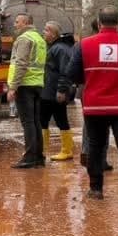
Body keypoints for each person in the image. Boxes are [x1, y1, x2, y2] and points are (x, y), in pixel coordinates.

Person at [59, 6, 118, 204]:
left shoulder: (84, 45)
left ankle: (96, 189)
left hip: (94, 106)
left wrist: (90, 79)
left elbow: (71, 73)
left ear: (99, 24)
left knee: (96, 146)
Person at [6, 12, 47, 169]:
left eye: (17, 22)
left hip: (24, 85)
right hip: (37, 84)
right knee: (35, 122)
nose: (15, 24)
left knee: (28, 122)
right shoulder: (39, 39)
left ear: (25, 23)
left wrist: (13, 87)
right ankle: (38, 157)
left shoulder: (24, 39)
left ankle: (29, 157)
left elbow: (21, 64)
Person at [78, 18, 112, 174]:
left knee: (91, 122)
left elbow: (73, 69)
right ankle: (97, 158)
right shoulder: (111, 44)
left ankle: (90, 154)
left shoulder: (85, 44)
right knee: (103, 124)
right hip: (104, 89)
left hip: (88, 89)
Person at [40, 21, 76, 161]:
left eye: (46, 30)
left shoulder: (59, 49)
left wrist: (61, 90)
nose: (43, 32)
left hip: (53, 92)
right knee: (55, 120)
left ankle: (58, 151)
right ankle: (60, 150)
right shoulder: (58, 47)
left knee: (47, 120)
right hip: (51, 91)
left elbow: (65, 72)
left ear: (53, 33)